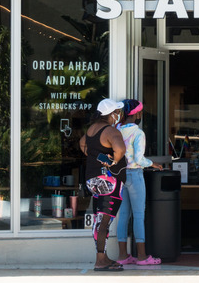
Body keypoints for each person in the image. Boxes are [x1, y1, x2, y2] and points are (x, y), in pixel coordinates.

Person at [80, 98, 128, 272]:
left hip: (92, 180)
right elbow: (120, 149)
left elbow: (82, 144)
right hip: (108, 182)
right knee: (104, 222)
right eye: (117, 112)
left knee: (99, 221)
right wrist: (113, 161)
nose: (119, 115)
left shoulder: (91, 130)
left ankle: (103, 257)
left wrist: (96, 157)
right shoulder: (110, 131)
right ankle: (100, 260)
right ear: (111, 114)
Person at [115, 99, 164, 266]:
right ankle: (142, 256)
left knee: (123, 216)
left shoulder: (116, 130)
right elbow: (139, 159)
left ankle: (123, 255)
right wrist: (153, 164)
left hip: (120, 175)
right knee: (138, 216)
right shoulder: (138, 133)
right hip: (135, 175)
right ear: (137, 114)